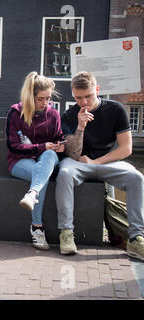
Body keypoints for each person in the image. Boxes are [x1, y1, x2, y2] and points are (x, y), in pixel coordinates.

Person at [56, 71, 144, 261]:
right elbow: (72, 153)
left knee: (137, 177)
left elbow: (126, 148)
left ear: (97, 90)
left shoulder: (116, 110)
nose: (84, 102)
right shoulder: (69, 115)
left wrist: (96, 162)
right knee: (64, 173)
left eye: (88, 96)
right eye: (79, 98)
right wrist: (80, 127)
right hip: (79, 163)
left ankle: (136, 238)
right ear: (73, 94)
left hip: (108, 161)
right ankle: (66, 232)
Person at [5, 71, 65, 250]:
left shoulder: (53, 114)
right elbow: (12, 146)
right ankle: (36, 226)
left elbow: (58, 138)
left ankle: (32, 197)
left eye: (48, 98)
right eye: (41, 99)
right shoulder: (15, 113)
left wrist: (60, 146)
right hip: (19, 162)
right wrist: (42, 147)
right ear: (30, 97)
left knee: (48, 157)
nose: (45, 103)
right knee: (41, 176)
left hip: (46, 160)